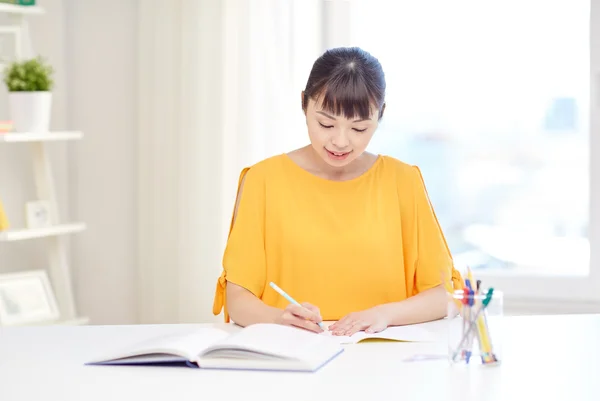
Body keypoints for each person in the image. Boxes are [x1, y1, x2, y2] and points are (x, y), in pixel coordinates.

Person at [212, 46, 463, 337]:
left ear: (380, 116)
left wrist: (384, 314)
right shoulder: (263, 180)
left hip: (383, 361)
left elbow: (445, 294)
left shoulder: (403, 181)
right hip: (290, 357)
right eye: (326, 123)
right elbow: (238, 299)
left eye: (359, 129)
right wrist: (280, 318)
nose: (340, 141)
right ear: (304, 104)